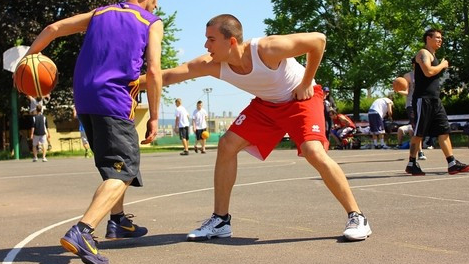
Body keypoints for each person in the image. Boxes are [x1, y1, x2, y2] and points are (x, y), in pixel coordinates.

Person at [140, 14, 371, 242]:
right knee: (227, 144)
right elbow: (166, 77)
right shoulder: (211, 64)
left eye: (211, 39)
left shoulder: (266, 49)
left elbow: (318, 40)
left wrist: (305, 82)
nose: (205, 45)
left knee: (313, 151)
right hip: (267, 105)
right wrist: (126, 83)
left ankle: (357, 216)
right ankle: (220, 221)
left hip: (300, 99)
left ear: (231, 41)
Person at [25, 0, 163, 264]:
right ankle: (83, 231)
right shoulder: (150, 22)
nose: (157, 3)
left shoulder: (100, 13)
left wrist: (29, 59)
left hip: (85, 98)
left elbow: (53, 28)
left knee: (115, 164)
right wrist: (154, 116)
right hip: (113, 99)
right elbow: (153, 71)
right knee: (123, 171)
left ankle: (118, 220)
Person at [405, 28, 469, 176]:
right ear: (428, 38)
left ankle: (452, 163)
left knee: (444, 130)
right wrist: (442, 65)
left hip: (435, 99)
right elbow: (428, 71)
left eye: (441, 38)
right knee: (419, 133)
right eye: (437, 37)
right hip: (423, 99)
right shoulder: (423, 53)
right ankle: (411, 163)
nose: (440, 40)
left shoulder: (433, 56)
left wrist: (441, 64)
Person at [395, 62, 426, 159]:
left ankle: (417, 152)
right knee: (416, 128)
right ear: (413, 64)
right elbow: (407, 91)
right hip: (411, 105)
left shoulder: (425, 74)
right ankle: (420, 152)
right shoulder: (408, 76)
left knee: (420, 128)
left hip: (421, 103)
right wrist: (398, 90)